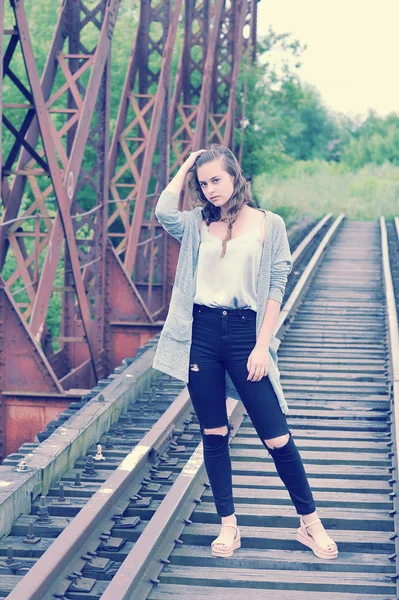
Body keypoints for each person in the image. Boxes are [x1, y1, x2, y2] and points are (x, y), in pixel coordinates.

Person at [153, 145, 338, 561]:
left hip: (244, 335)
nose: (210, 189)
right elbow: (165, 211)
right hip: (201, 333)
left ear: (235, 177)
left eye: (216, 179)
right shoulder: (196, 224)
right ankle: (229, 526)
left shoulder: (269, 225)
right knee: (214, 434)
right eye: (203, 183)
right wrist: (186, 165)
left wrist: (261, 346)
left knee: (277, 436)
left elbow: (276, 285)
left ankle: (310, 524)